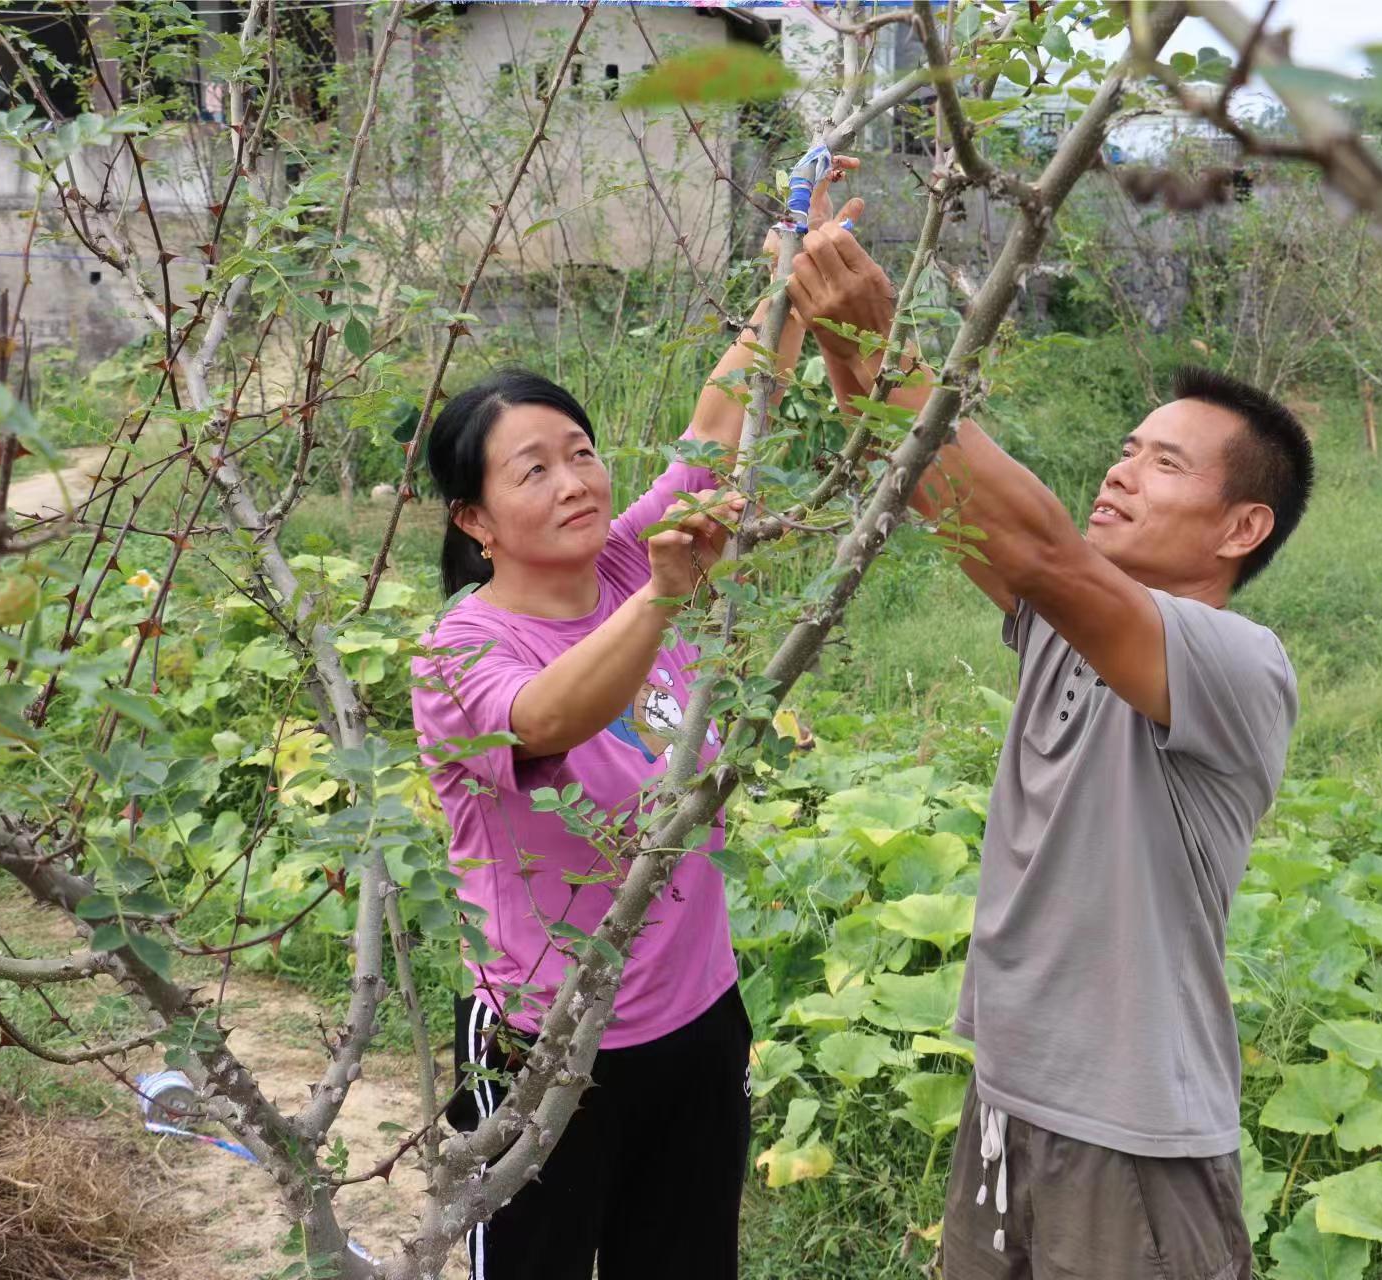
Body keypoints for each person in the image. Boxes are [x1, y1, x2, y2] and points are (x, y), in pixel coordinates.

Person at [786, 215, 1313, 1280]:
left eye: (1163, 463)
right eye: (1125, 449)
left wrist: (895, 348)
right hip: (1008, 1094)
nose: (1121, 472)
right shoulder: (1058, 620)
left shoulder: (1234, 662)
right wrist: (826, 308)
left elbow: (1036, 542)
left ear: (1240, 528)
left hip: (1134, 1134)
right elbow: (924, 473)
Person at [409, 184, 863, 1278]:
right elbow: (552, 714)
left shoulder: (620, 561)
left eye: (581, 451)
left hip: (700, 1018)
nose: (574, 480)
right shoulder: (460, 654)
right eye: (533, 469)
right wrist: (661, 600)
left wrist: (788, 286)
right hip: (547, 1046)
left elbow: (717, 430)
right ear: (473, 520)